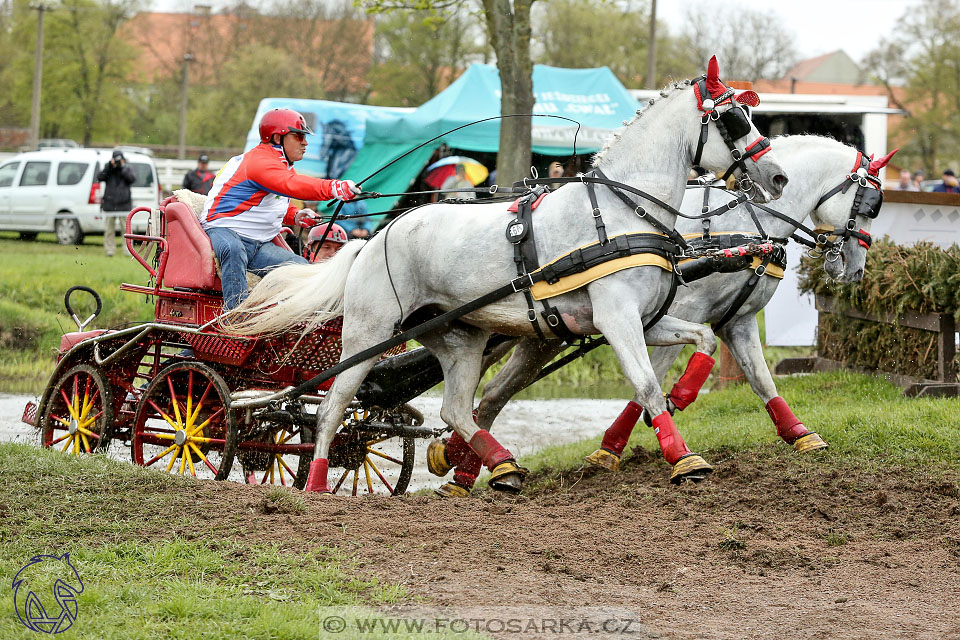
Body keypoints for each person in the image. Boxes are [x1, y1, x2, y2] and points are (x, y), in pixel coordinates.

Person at [201, 108, 361, 309]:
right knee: (234, 250)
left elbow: (268, 203)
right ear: (278, 137)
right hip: (224, 231)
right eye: (299, 136)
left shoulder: (280, 164)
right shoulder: (260, 162)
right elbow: (292, 185)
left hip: (258, 244)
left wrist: (295, 216)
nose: (305, 142)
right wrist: (333, 188)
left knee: (301, 268)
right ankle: (235, 316)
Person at [98, 149, 136, 257]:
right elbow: (100, 177)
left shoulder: (127, 168)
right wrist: (110, 167)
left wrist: (122, 168)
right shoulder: (109, 168)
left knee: (126, 230)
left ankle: (128, 250)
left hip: (124, 204)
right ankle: (110, 250)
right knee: (109, 229)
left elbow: (132, 179)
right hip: (110, 204)